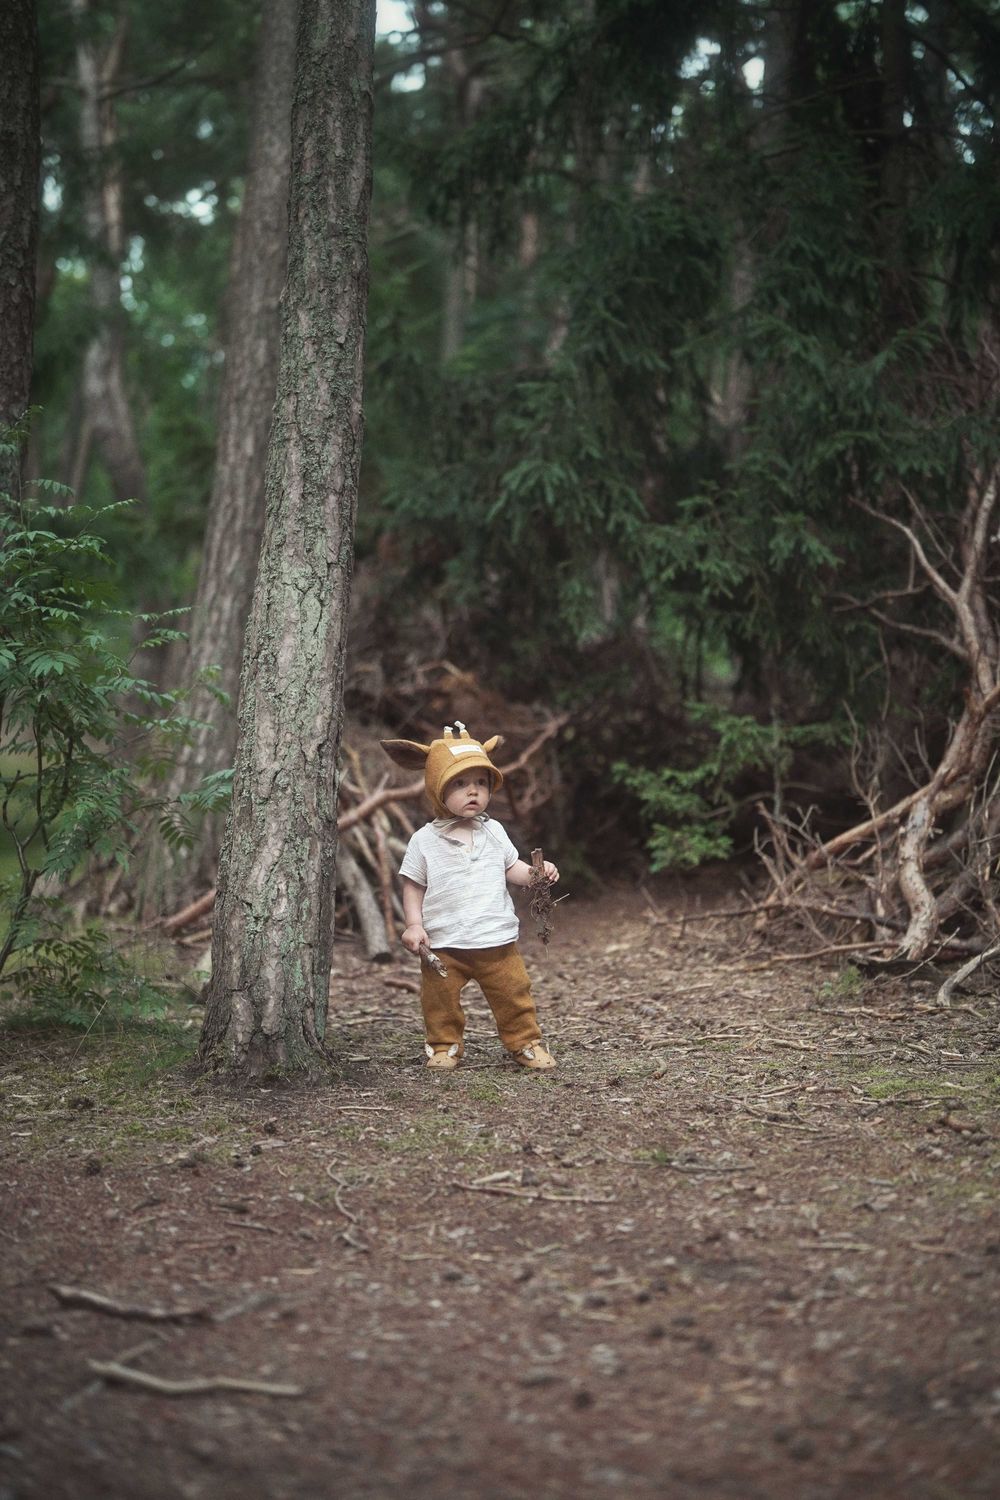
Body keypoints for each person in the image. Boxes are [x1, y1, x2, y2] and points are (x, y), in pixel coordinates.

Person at [380, 723, 558, 1071]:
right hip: (444, 944)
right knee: (440, 1002)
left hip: (496, 940)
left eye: (480, 782)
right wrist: (413, 925)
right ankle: (445, 1046)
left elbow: (513, 869)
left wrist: (537, 874)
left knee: (513, 994)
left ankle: (524, 1043)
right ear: (437, 789)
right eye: (459, 784)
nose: (472, 791)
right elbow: (413, 885)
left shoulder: (493, 831)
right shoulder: (424, 841)